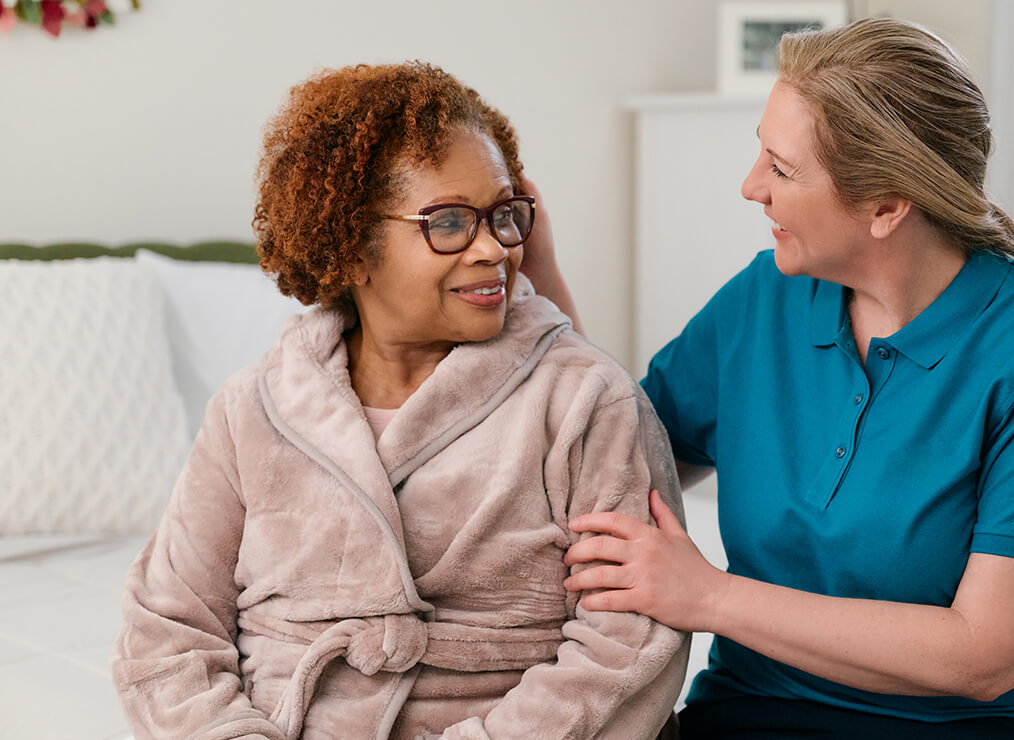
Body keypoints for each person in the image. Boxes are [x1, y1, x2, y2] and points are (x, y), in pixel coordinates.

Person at [527, 17, 1014, 740]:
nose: (751, 187)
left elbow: (985, 655)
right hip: (751, 716)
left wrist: (710, 597)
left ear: (886, 206)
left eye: (781, 169)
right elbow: (609, 456)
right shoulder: (765, 297)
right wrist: (539, 273)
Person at [112, 62, 687, 740]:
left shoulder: (586, 399)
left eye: (504, 216)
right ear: (352, 247)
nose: (492, 249)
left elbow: (628, 643)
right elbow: (168, 629)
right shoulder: (251, 411)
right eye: (447, 222)